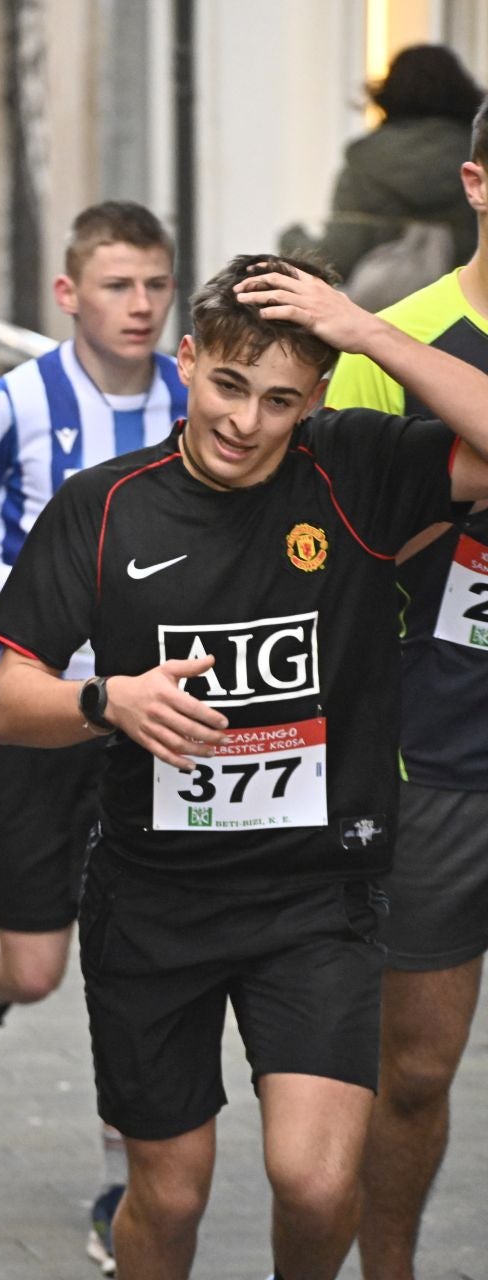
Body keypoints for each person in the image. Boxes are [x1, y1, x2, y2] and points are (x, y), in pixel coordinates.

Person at [0, 254, 488, 1280]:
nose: (246, 421)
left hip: (317, 897)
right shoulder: (105, 504)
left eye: (279, 401)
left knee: (312, 1178)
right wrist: (106, 699)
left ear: (318, 401)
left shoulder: (354, 469)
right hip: (154, 899)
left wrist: (371, 330)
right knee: (168, 1195)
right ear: (187, 361)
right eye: (228, 385)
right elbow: (7, 702)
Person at [0, 201, 183, 1273]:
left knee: (139, 950)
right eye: (119, 285)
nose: (141, 305)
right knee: (39, 963)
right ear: (70, 294)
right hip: (29, 715)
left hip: (155, 719)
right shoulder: (15, 403)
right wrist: (32, 599)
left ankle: (130, 1179)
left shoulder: (193, 400)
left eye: (156, 284)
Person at [317, 97, 488, 1280]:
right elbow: (334, 553)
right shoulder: (399, 340)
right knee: (416, 1065)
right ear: (476, 184)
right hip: (437, 756)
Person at [280, 45, 479, 287]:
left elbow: (338, 256)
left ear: (388, 96)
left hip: (392, 313)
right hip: (474, 311)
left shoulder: (366, 163)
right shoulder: (479, 158)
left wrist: (292, 240)